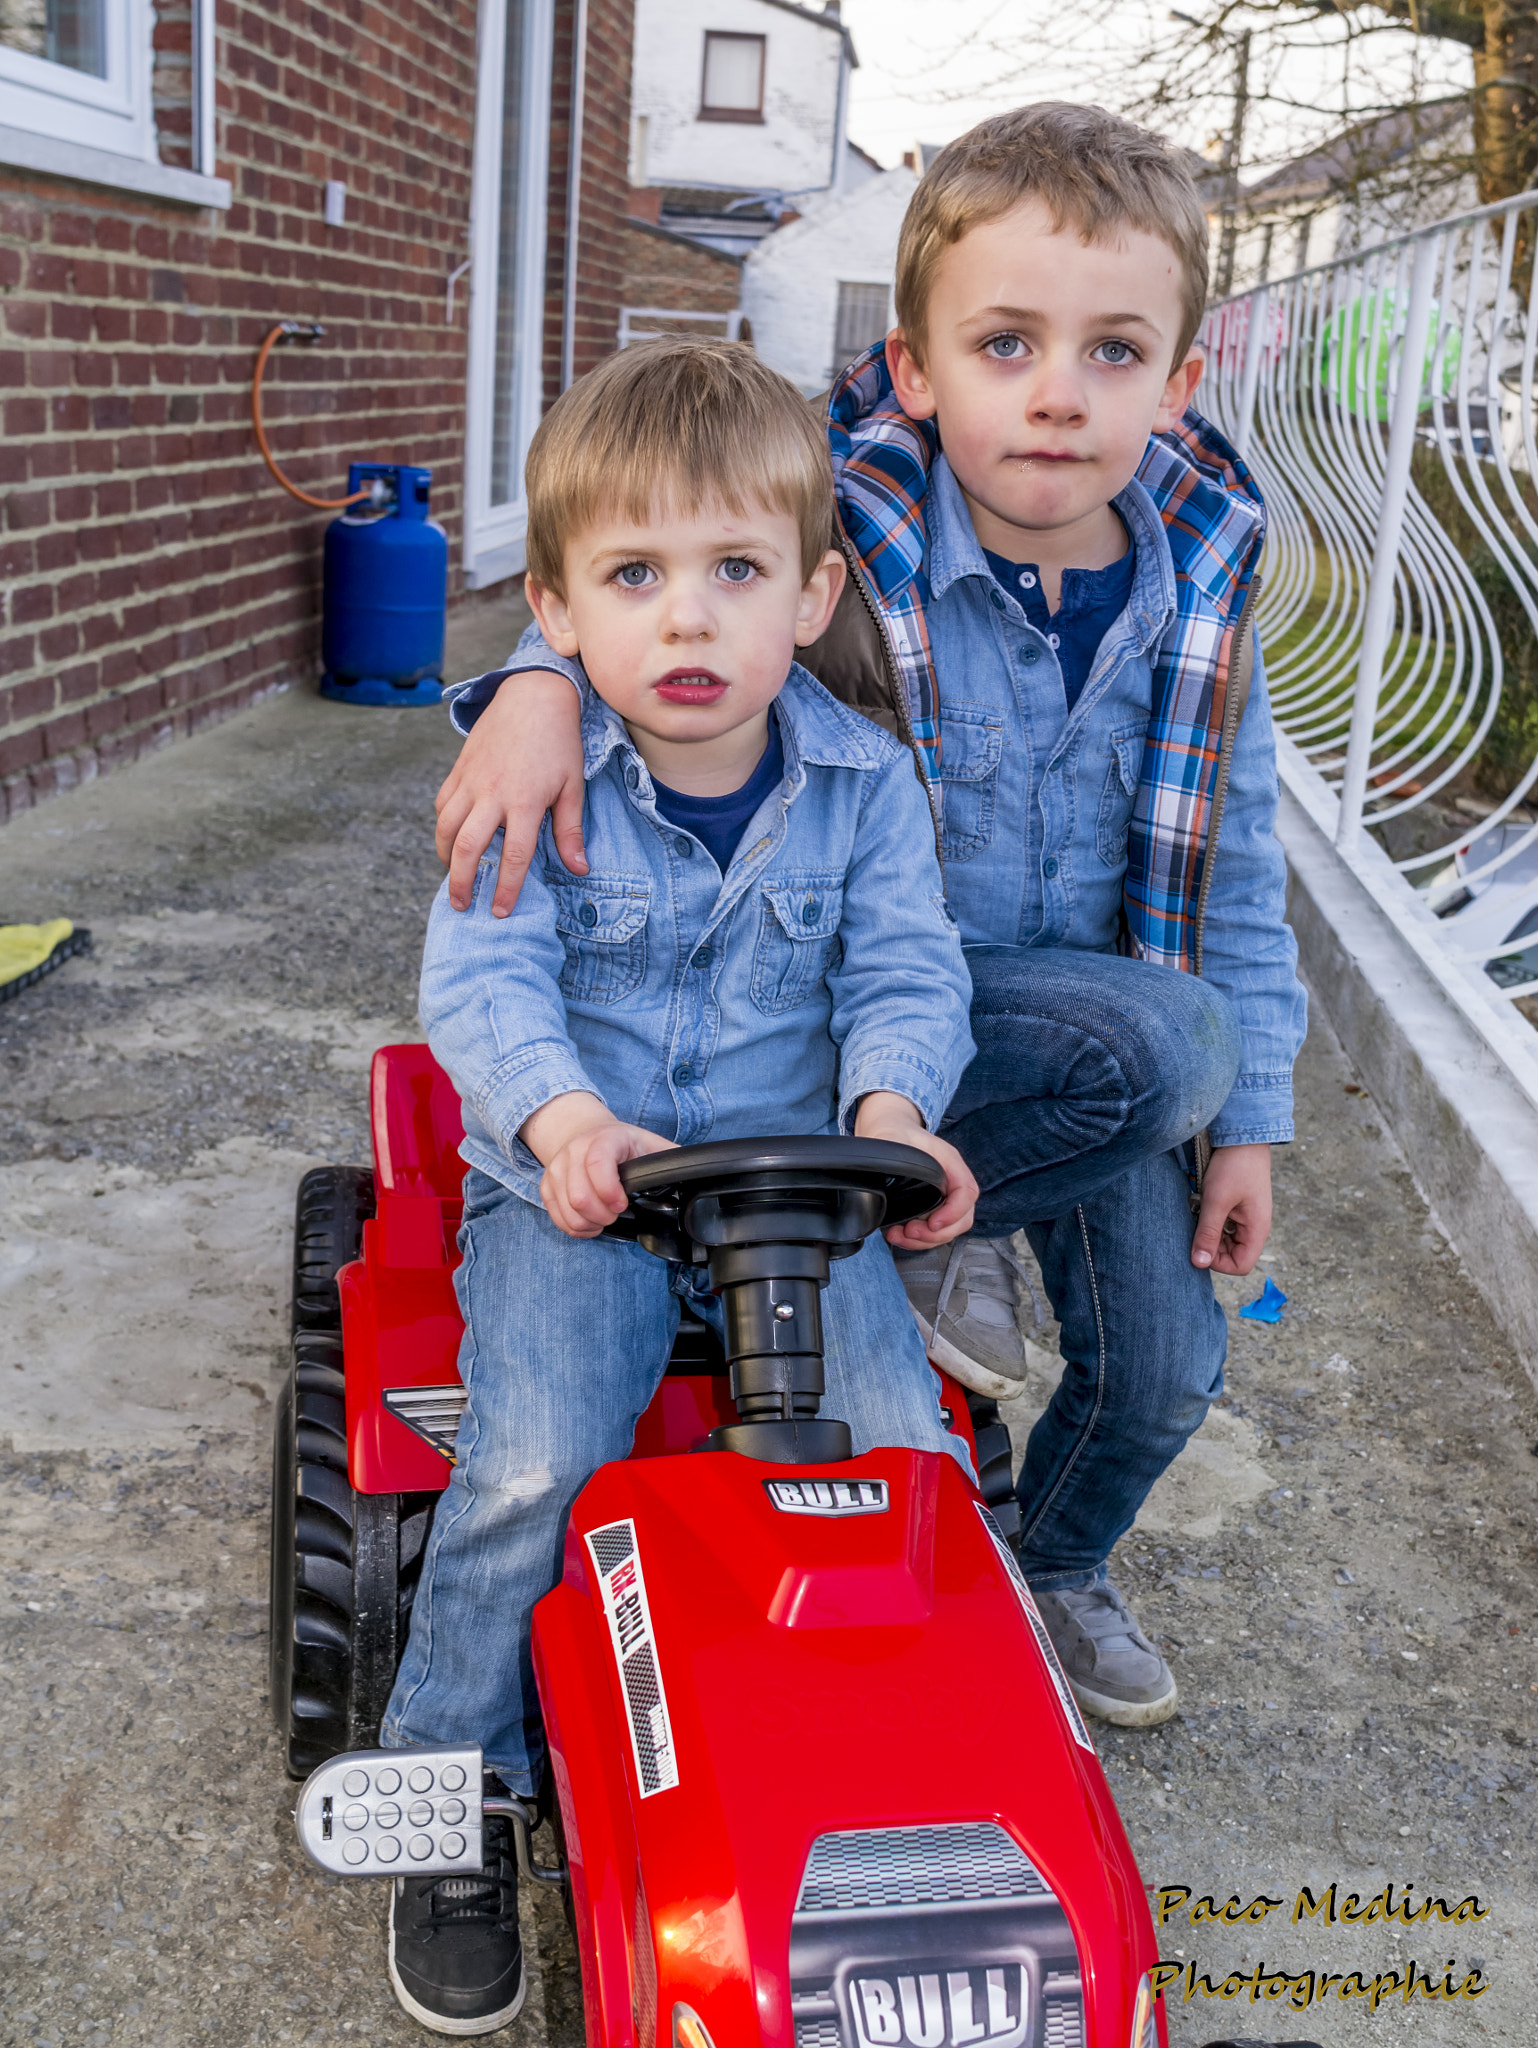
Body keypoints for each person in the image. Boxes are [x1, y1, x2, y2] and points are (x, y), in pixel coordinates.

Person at [431, 104, 1308, 1738]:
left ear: (1181, 380)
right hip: (826, 1014)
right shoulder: (860, 527)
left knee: (1172, 1346)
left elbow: (1237, 872)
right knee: (539, 1450)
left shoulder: (1205, 589)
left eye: (1114, 350)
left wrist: (1247, 1122)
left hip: (1037, 1049)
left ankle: (1038, 1563)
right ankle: (452, 1769)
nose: (1055, 392)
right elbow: (670, 537)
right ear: (913, 367)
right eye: (1003, 343)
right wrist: (536, 683)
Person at [380, 337, 979, 2035]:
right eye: (635, 577)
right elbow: (482, 989)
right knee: (536, 1457)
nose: (690, 619)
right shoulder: (539, 776)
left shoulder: (867, 788)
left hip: (798, 1195)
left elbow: (908, 976)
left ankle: (885, 1760)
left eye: (734, 571)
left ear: (811, 596)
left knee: (905, 1457)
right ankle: (451, 1783)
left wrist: (893, 1111)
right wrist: (566, 1125)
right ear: (556, 617)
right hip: (577, 1184)